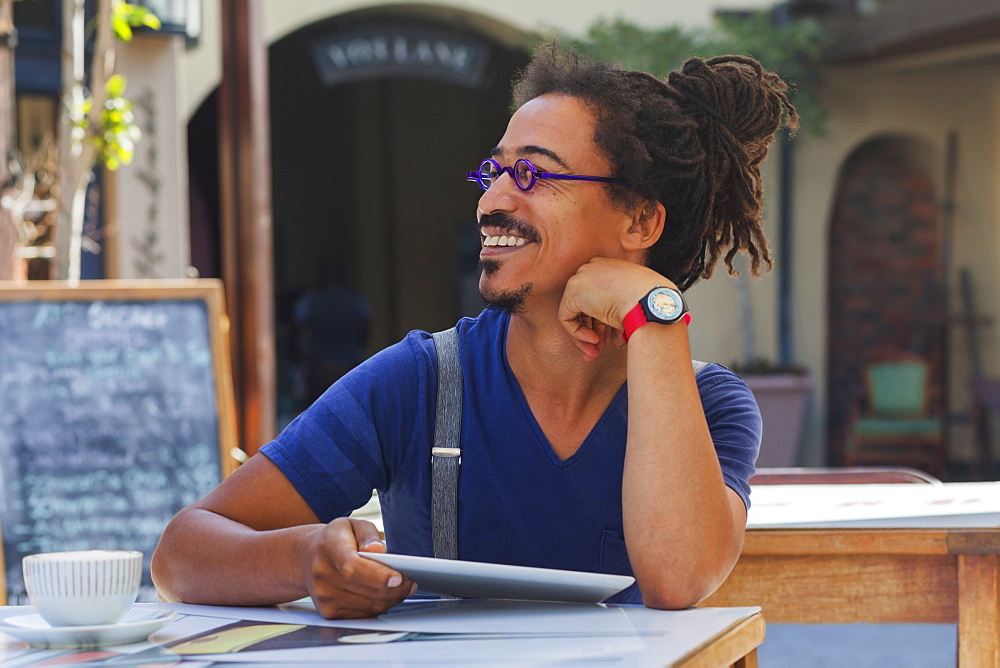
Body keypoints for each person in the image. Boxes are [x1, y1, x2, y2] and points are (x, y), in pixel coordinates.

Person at [152, 44, 797, 619]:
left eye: (535, 174)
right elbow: (181, 556)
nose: (492, 200)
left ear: (639, 222)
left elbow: (678, 579)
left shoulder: (712, 407)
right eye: (494, 172)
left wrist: (654, 313)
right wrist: (302, 560)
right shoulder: (420, 382)